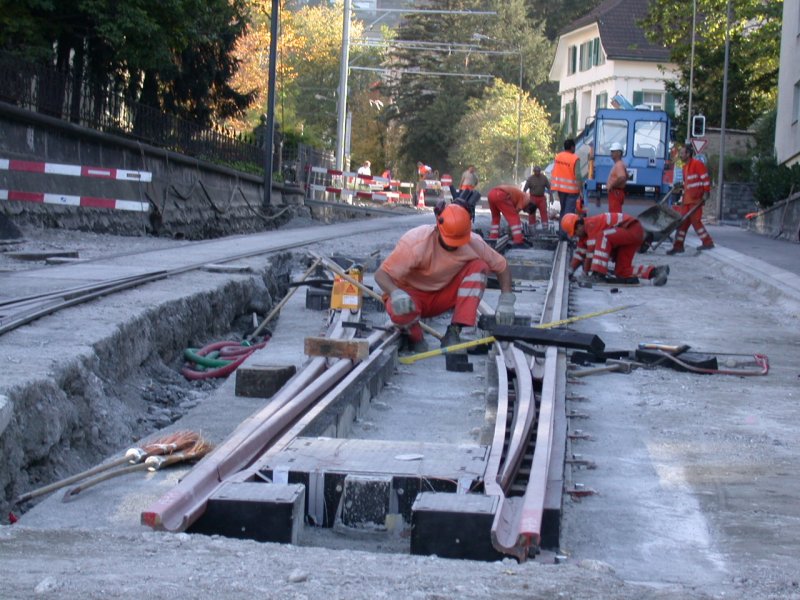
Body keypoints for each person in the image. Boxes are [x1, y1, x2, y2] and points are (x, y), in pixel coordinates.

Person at [374, 204, 516, 352]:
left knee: (479, 267)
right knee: (397, 309)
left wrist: (506, 299)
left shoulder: (474, 243)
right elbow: (381, 275)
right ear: (438, 227)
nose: (453, 247)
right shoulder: (415, 243)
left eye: (458, 242)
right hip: (411, 297)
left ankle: (456, 330)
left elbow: (502, 266)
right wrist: (395, 293)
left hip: (444, 296)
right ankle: (416, 338)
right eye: (449, 242)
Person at [562, 212, 670, 286]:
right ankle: (656, 272)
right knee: (621, 271)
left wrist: (585, 274)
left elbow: (590, 253)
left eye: (574, 233)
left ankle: (598, 274)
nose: (575, 236)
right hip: (629, 234)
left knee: (603, 236)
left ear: (579, 226)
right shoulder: (584, 235)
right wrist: (570, 270)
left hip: (631, 228)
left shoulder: (591, 224)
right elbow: (580, 253)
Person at [667, 144, 714, 254]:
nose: (680, 156)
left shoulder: (697, 164)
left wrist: (706, 192)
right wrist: (680, 186)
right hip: (687, 201)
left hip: (696, 200)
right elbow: (688, 184)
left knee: (696, 221)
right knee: (682, 223)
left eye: (682, 153)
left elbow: (705, 179)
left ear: (688, 154)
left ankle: (708, 242)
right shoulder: (685, 167)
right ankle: (678, 246)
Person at [551, 139, 583, 240]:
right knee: (569, 212)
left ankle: (562, 232)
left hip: (560, 189)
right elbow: (578, 175)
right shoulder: (575, 158)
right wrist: (581, 190)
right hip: (572, 190)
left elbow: (555, 171)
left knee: (563, 210)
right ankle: (566, 234)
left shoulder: (558, 157)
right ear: (572, 147)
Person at [606, 142, 627, 213]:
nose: (611, 153)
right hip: (616, 192)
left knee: (615, 215)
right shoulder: (620, 164)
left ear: (619, 153)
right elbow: (626, 176)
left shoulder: (619, 165)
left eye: (613, 151)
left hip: (615, 192)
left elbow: (622, 178)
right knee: (614, 214)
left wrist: (612, 186)